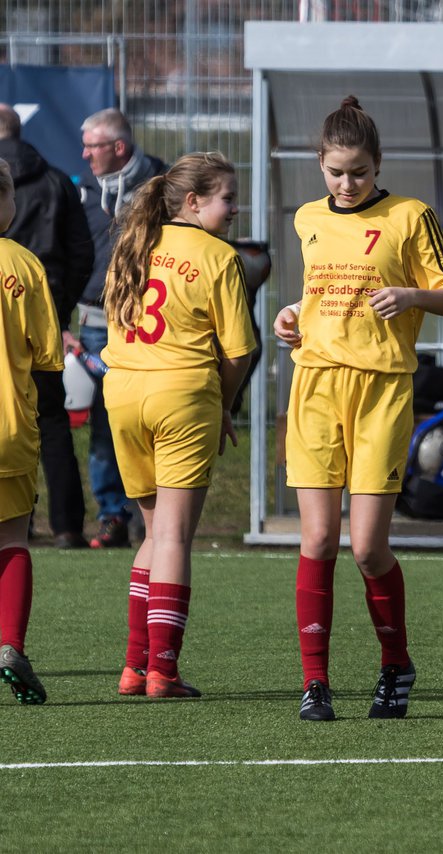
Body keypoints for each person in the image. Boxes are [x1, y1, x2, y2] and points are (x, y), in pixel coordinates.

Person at [272, 96, 443, 723]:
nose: (347, 183)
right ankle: (314, 683)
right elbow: (315, 296)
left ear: (377, 165)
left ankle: (394, 664)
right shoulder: (307, 218)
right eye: (335, 172)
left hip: (382, 390)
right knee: (319, 538)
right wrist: (290, 318)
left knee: (366, 547)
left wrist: (410, 294)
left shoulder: (411, 216)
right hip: (316, 385)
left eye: (358, 171)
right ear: (320, 167)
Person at [102, 152, 255, 699]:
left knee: (152, 531)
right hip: (180, 392)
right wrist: (224, 407)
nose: (235, 209)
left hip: (122, 390)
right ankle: (163, 672)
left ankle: (134, 667)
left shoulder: (135, 243)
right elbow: (238, 352)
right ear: (193, 203)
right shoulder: (218, 256)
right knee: (172, 536)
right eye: (227, 198)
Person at [0, 104, 95, 548]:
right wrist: (58, 308)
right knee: (52, 426)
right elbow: (81, 252)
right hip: (43, 318)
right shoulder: (57, 181)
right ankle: (66, 525)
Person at [79, 108, 168, 550]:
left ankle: (157, 515)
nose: (84, 155)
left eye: (92, 146)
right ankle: (113, 516)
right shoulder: (82, 191)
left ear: (118, 148)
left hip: (150, 324)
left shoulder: (162, 185)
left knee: (150, 419)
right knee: (104, 424)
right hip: (95, 323)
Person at [0, 160, 62, 704]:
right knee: (12, 542)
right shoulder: (23, 264)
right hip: (8, 428)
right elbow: (46, 354)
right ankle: (11, 645)